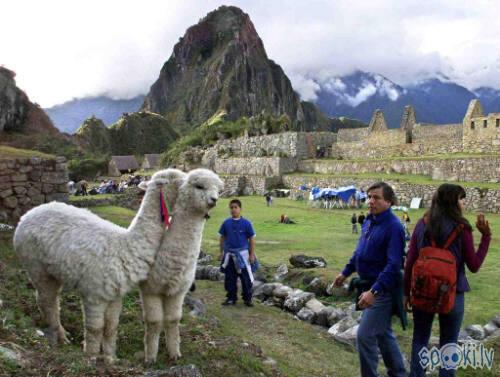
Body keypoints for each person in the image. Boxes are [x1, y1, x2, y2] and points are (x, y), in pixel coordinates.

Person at [404, 184, 491, 377]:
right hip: (453, 291)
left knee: (419, 339)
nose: (463, 203)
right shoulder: (463, 228)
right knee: (449, 345)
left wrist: (406, 293)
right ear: (453, 201)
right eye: (461, 199)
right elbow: (474, 265)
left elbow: (410, 262)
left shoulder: (422, 223)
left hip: (422, 290)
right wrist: (486, 237)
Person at [334, 182, 407, 377]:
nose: (371, 201)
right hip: (367, 285)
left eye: (376, 198)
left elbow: (393, 265)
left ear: (389, 202)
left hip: (382, 290)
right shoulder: (368, 221)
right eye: (369, 197)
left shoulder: (394, 227)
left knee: (365, 336)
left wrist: (373, 292)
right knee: (383, 333)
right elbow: (359, 252)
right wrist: (345, 272)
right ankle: (399, 373)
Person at [218, 199, 256, 307]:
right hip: (229, 255)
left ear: (240, 209)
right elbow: (222, 238)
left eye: (236, 207)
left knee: (246, 278)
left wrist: (252, 254)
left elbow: (252, 239)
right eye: (231, 207)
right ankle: (231, 298)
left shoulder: (246, 223)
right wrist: (221, 252)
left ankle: (247, 299)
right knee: (230, 278)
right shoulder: (226, 223)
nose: (233, 209)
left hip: (243, 255)